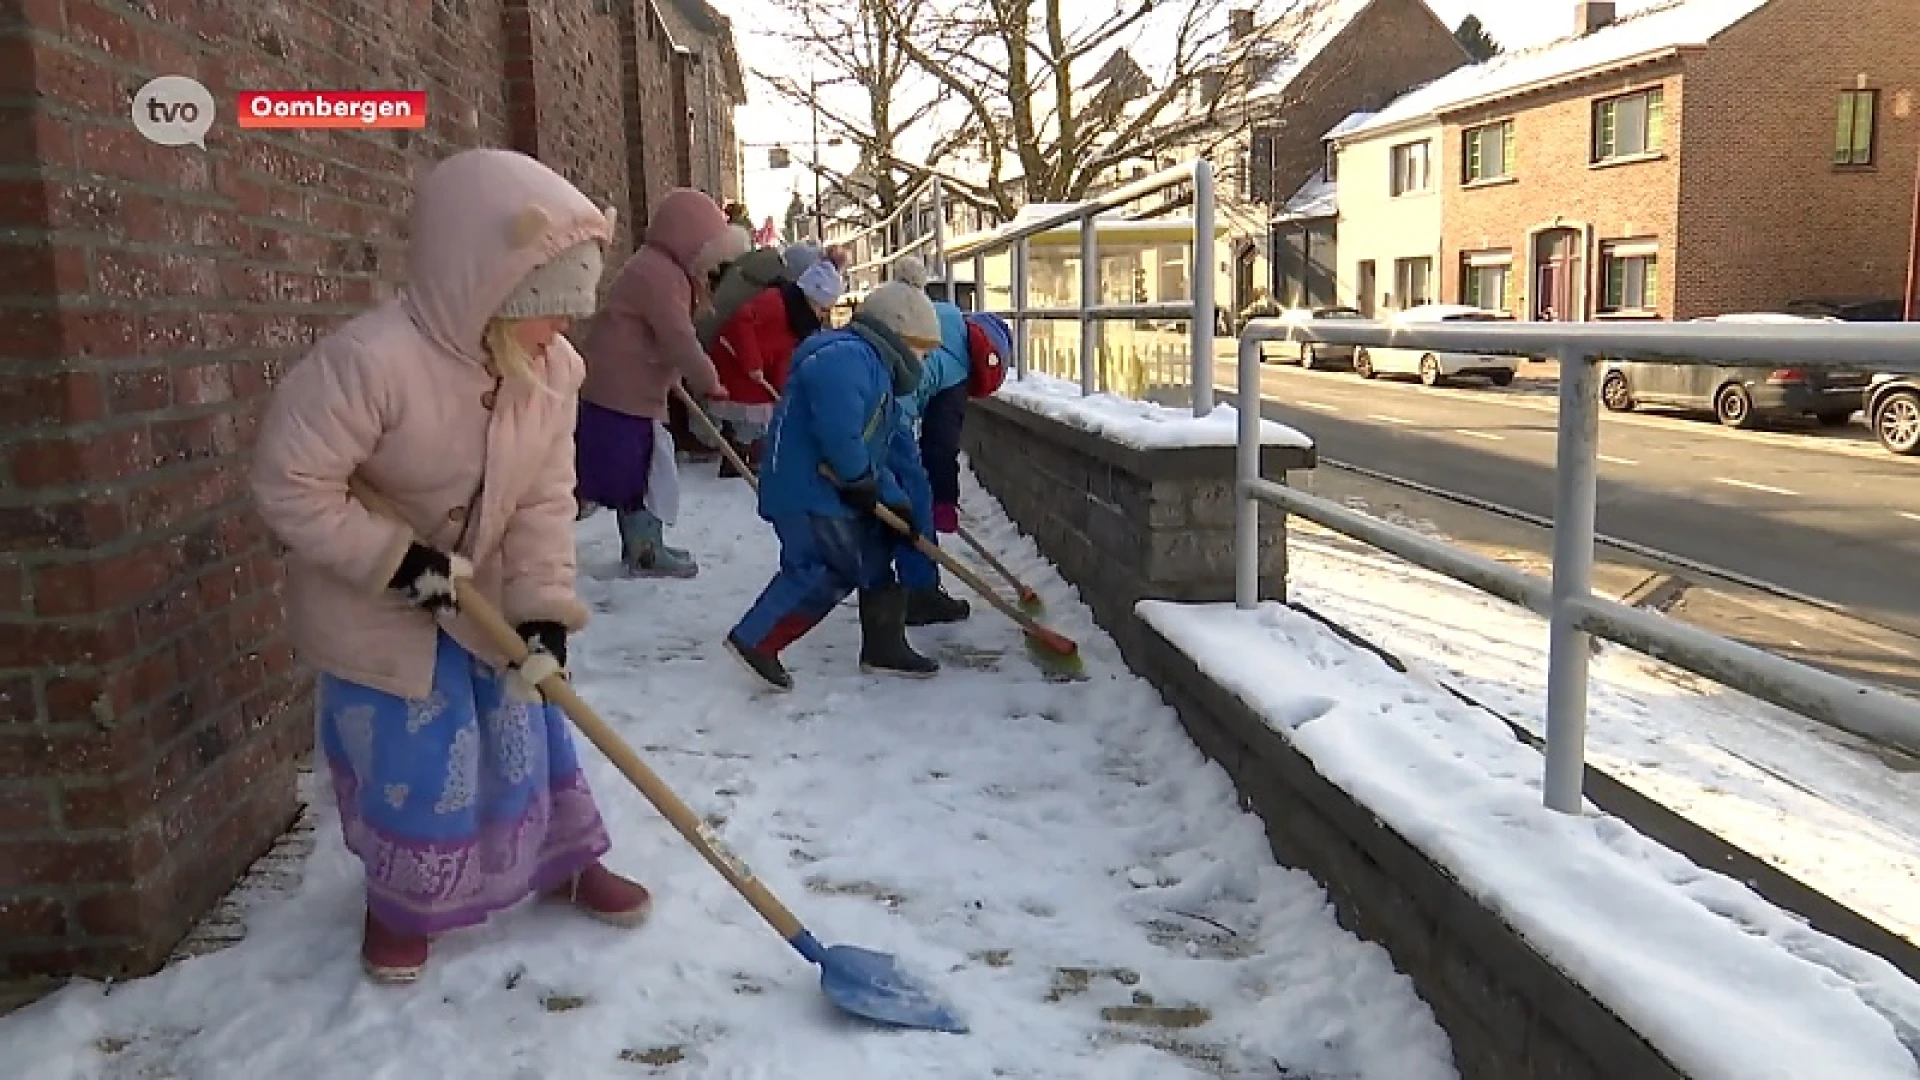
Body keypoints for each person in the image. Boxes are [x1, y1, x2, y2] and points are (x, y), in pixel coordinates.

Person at [250, 148, 650, 985]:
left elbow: (545, 498)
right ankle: (401, 902)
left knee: (526, 736)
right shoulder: (371, 363)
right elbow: (290, 485)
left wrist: (542, 608)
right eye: (547, 310)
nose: (563, 331)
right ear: (490, 294)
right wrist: (401, 566)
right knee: (416, 765)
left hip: (486, 601)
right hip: (379, 609)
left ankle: (558, 861)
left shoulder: (551, 371)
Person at [724, 281, 945, 692]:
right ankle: (756, 638)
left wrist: (896, 505)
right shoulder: (849, 357)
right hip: (807, 490)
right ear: (899, 336)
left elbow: (876, 453)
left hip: (832, 490)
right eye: (924, 351)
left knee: (875, 553)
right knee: (825, 568)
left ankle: (883, 647)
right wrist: (857, 476)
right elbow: (839, 430)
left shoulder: (879, 377)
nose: (925, 362)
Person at [575, 188, 746, 578]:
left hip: (623, 387)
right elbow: (677, 336)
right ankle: (646, 551)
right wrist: (709, 379)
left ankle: (641, 547)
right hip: (625, 392)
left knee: (637, 472)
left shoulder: (656, 267)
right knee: (648, 470)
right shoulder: (660, 274)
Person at [883, 257, 1014, 626]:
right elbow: (939, 447)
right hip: (887, 413)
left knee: (891, 497)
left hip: (864, 392)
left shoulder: (943, 315)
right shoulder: (957, 370)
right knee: (915, 498)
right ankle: (920, 593)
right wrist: (944, 499)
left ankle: (889, 584)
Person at [708, 257, 844, 476]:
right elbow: (742, 321)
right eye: (822, 307)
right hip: (737, 362)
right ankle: (736, 457)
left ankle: (752, 453)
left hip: (758, 370)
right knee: (749, 416)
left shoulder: (799, 321)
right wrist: (752, 362)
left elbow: (783, 356)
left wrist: (782, 388)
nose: (822, 314)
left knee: (764, 413)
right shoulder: (774, 301)